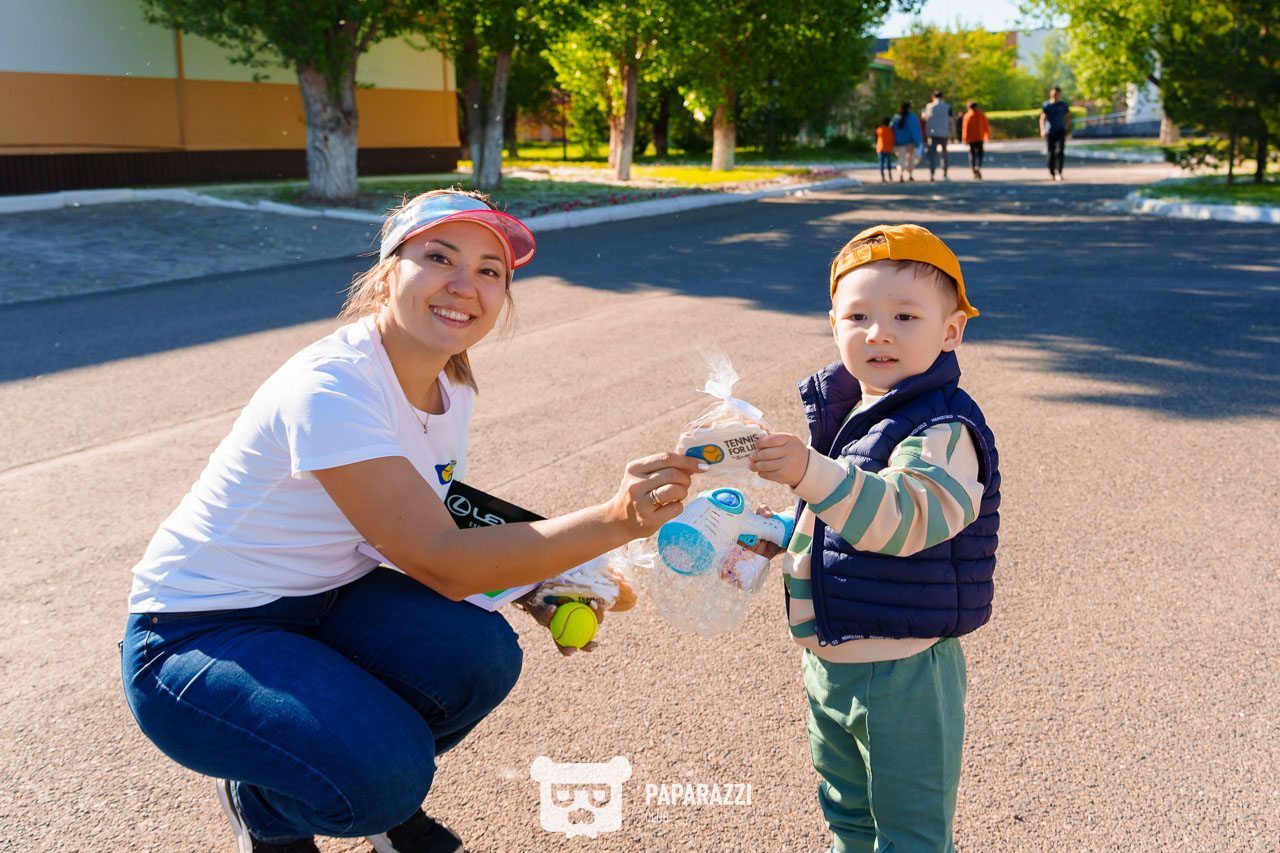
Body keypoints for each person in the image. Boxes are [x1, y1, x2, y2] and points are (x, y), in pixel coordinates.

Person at [120, 188, 704, 853]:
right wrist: (617, 519)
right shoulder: (331, 388)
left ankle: (342, 769)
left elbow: (429, 510)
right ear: (385, 275)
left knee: (478, 660)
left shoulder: (448, 384)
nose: (465, 284)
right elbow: (438, 558)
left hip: (327, 596)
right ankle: (268, 803)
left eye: (490, 270)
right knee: (385, 775)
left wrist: (535, 584)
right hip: (198, 632)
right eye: (440, 257)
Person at [749, 224, 1001, 853]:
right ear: (833, 324)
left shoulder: (944, 428)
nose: (878, 332)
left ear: (951, 331)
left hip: (904, 670)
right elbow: (838, 516)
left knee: (911, 833)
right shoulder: (859, 414)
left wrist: (809, 472)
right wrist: (777, 534)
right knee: (849, 815)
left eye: (905, 316)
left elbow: (904, 518)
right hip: (830, 661)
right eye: (858, 315)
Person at [1040, 85, 1072, 181]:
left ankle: (1059, 172)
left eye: (1057, 93)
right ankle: (1052, 172)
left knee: (1060, 152)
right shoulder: (1047, 105)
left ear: (1060, 94)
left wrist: (1066, 128)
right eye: (1053, 93)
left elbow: (1068, 117)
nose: (1055, 95)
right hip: (1050, 131)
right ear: (1050, 93)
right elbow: (1042, 118)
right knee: (1051, 152)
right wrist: (1042, 129)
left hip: (1060, 131)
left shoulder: (1063, 105)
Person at [920, 90, 952, 182]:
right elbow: (950, 120)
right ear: (942, 97)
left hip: (932, 133)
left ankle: (932, 173)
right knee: (944, 155)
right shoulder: (947, 107)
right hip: (944, 133)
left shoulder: (929, 106)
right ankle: (945, 173)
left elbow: (924, 117)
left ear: (933, 97)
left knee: (932, 155)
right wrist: (953, 133)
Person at [891, 102, 923, 182]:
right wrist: (917, 142)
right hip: (910, 143)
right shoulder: (912, 117)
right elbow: (915, 131)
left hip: (899, 143)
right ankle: (910, 175)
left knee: (901, 159)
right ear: (909, 108)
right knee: (911, 159)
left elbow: (892, 130)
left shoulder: (896, 117)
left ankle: (901, 174)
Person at [962, 101, 991, 180]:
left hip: (971, 139)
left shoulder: (967, 115)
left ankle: (974, 169)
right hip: (980, 138)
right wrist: (987, 136)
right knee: (980, 154)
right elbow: (986, 126)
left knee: (972, 155)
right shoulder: (981, 115)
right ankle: (978, 166)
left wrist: (965, 138)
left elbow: (965, 128)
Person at [875, 117, 896, 183]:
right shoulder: (890, 130)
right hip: (888, 149)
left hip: (880, 149)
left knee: (881, 163)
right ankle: (890, 175)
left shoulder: (879, 129)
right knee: (888, 163)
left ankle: (883, 177)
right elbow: (892, 140)